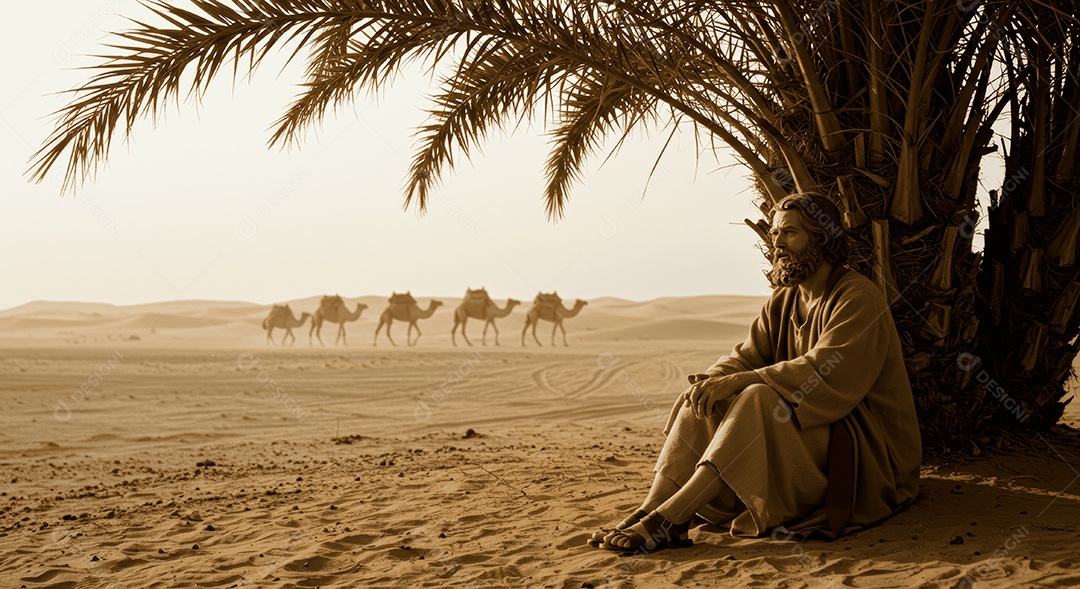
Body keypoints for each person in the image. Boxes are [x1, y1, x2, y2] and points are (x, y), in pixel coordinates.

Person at [589, 192, 921, 552]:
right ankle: (652, 508)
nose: (776, 242)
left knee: (757, 396)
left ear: (822, 239)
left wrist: (740, 380)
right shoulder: (784, 299)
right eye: (775, 233)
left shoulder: (857, 298)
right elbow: (747, 356)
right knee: (705, 396)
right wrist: (714, 379)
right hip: (810, 432)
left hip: (864, 449)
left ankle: (673, 516)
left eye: (790, 233)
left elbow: (826, 373)